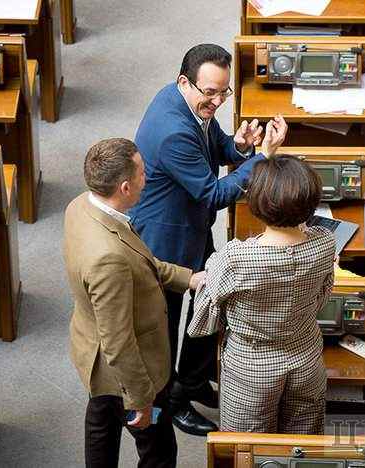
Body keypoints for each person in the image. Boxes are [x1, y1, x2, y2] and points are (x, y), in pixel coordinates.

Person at [129, 43, 288, 435]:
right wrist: (262, 159)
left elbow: (214, 142)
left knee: (208, 303)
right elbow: (213, 193)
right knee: (164, 330)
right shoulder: (172, 134)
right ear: (185, 82)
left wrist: (238, 145)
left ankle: (194, 380)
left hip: (193, 227)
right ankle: (171, 402)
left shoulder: (184, 100)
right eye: (210, 93)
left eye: (224, 92)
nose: (217, 101)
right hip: (166, 240)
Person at [63, 138, 204, 468]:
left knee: (101, 424)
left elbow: (140, 262)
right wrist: (141, 400)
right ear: (125, 187)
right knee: (159, 452)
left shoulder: (82, 205)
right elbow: (119, 341)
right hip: (129, 370)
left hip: (92, 353)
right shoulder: (107, 260)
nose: (148, 177)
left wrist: (189, 278)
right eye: (142, 173)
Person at [188, 155, 335, 434]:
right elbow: (323, 295)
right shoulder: (326, 242)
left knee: (248, 448)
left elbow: (206, 318)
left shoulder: (235, 257)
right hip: (306, 357)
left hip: (251, 366)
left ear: (256, 202)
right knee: (301, 447)